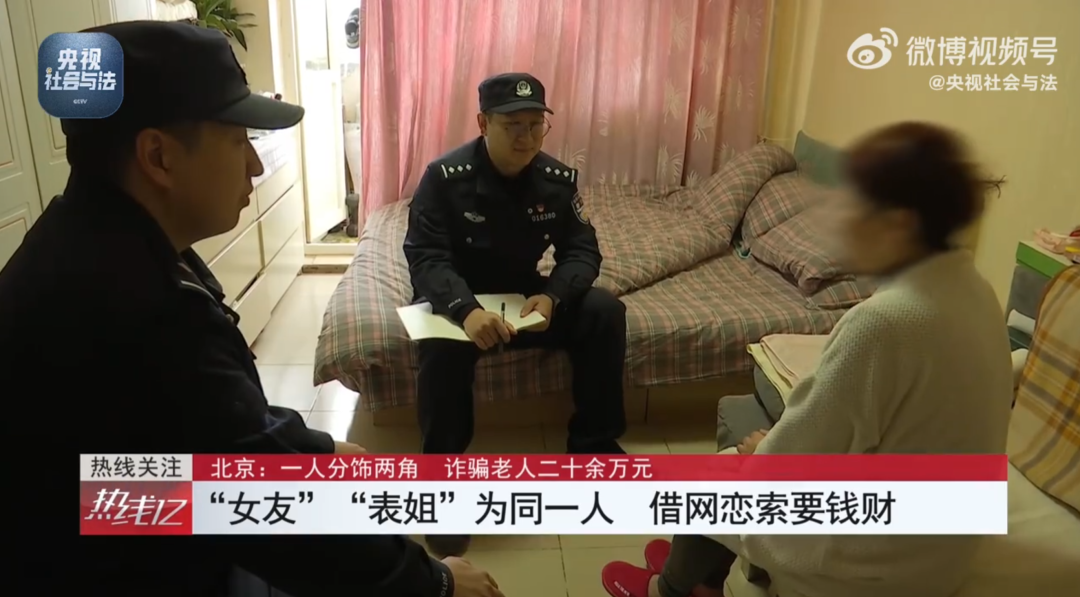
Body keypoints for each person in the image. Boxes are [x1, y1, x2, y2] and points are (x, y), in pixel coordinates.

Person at [0, 21, 502, 597]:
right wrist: (436, 582)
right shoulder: (139, 307)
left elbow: (220, 427)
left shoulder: (90, 237)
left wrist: (317, 448)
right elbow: (267, 505)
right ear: (158, 156)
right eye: (240, 141)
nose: (256, 167)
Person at [600, 121, 1014, 597]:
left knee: (717, 477)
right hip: (944, 549)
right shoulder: (976, 291)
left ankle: (670, 589)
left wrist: (764, 454)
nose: (836, 220)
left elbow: (795, 456)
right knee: (748, 432)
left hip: (880, 564)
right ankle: (699, 575)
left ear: (898, 224)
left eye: (851, 205)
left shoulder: (885, 321)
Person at [403, 73, 629, 557]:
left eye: (535, 125)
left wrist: (553, 298)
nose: (526, 137)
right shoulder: (444, 178)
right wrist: (466, 311)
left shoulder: (556, 181)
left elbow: (582, 251)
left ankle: (592, 447)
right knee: (440, 352)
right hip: (458, 301)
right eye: (513, 126)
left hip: (523, 300)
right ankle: (442, 486)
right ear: (483, 123)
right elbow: (426, 257)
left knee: (604, 310)